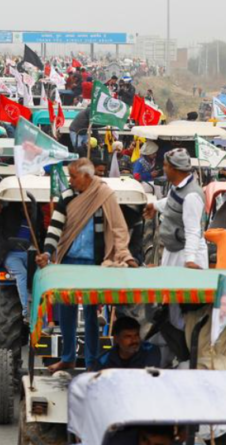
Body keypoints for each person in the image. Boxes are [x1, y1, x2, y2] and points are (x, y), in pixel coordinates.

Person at [36, 159, 137, 372]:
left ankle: (91, 362)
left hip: (95, 262)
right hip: (69, 260)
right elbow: (55, 227)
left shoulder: (104, 195)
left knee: (92, 313)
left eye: (74, 177)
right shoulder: (67, 196)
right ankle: (68, 357)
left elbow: (118, 227)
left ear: (87, 177)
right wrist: (46, 252)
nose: (70, 181)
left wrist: (125, 255)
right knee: (66, 311)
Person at [144, 148, 208, 270]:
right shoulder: (177, 188)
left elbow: (193, 230)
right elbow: (170, 201)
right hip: (173, 249)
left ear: (174, 169)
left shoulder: (192, 196)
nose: (164, 169)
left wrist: (190, 260)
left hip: (185, 254)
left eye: (165, 166)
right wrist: (155, 206)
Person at [0, 200, 35, 319]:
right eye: (26, 205)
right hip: (12, 254)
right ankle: (27, 311)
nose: (28, 208)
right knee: (22, 274)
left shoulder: (36, 217)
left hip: (31, 254)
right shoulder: (8, 212)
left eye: (30, 206)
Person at [93, 316, 161, 371]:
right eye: (128, 336)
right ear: (116, 339)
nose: (134, 340)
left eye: (136, 335)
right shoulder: (104, 361)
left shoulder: (150, 353)